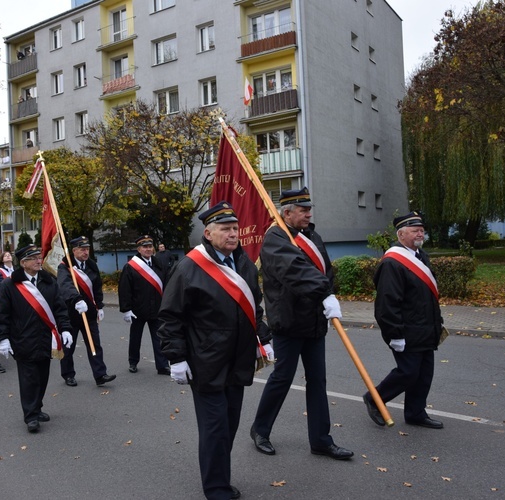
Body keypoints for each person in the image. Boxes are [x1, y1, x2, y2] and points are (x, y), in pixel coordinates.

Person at [158, 202, 273, 500]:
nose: (233, 234)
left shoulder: (244, 263)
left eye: (235, 228)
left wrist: (263, 337)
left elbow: (253, 307)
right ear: (208, 233)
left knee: (230, 424)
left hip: (238, 359)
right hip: (205, 360)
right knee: (215, 428)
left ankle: (220, 477)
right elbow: (170, 315)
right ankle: (216, 488)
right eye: (225, 229)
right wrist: (177, 358)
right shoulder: (189, 267)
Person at [249, 188, 353, 460]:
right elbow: (294, 271)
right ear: (287, 213)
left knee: (318, 380)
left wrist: (328, 296)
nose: (309, 214)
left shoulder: (313, 236)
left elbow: (324, 271)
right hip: (289, 321)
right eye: (303, 210)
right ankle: (260, 429)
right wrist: (325, 292)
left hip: (314, 320)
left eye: (309, 209)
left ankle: (321, 440)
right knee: (282, 378)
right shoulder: (275, 238)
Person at [364, 211, 445, 429]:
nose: (420, 233)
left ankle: (415, 413)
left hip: (426, 327)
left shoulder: (420, 255)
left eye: (421, 230)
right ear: (401, 234)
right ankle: (375, 398)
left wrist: (438, 323)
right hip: (407, 329)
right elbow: (387, 303)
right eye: (415, 230)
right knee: (408, 372)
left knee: (424, 374)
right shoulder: (393, 262)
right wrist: (394, 334)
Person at [0, 245, 73, 433]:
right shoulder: (10, 285)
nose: (39, 261)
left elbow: (60, 307)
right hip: (23, 338)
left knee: (42, 376)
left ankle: (37, 407)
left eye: (39, 257)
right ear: (23, 263)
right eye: (34, 258)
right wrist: (2, 338)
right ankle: (30, 416)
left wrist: (66, 329)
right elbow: (1, 314)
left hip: (45, 338)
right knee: (29, 378)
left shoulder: (49, 281)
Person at [57, 236, 116, 387]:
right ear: (74, 250)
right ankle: (68, 374)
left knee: (94, 344)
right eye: (82, 249)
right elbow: (65, 285)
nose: (85, 252)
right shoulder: (65, 266)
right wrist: (76, 299)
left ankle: (100, 374)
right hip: (71, 313)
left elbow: (97, 287)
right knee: (68, 346)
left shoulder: (91, 265)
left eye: (87, 249)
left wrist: (100, 306)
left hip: (89, 313)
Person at [119, 235, 169, 375]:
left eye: (150, 246)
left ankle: (162, 365)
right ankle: (133, 362)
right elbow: (125, 289)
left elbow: (166, 284)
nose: (148, 249)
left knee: (160, 338)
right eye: (145, 247)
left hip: (157, 308)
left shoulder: (159, 264)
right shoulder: (131, 267)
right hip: (137, 309)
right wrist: (126, 309)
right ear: (139, 249)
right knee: (135, 338)